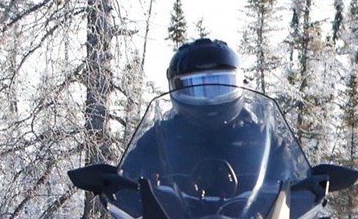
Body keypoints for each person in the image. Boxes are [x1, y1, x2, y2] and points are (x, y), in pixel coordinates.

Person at [120, 38, 305, 197]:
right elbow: (126, 180)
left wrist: (310, 186)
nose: (209, 98)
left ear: (240, 84)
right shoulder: (158, 139)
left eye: (221, 85)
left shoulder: (263, 139)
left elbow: (293, 183)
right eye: (194, 87)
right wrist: (115, 184)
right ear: (174, 87)